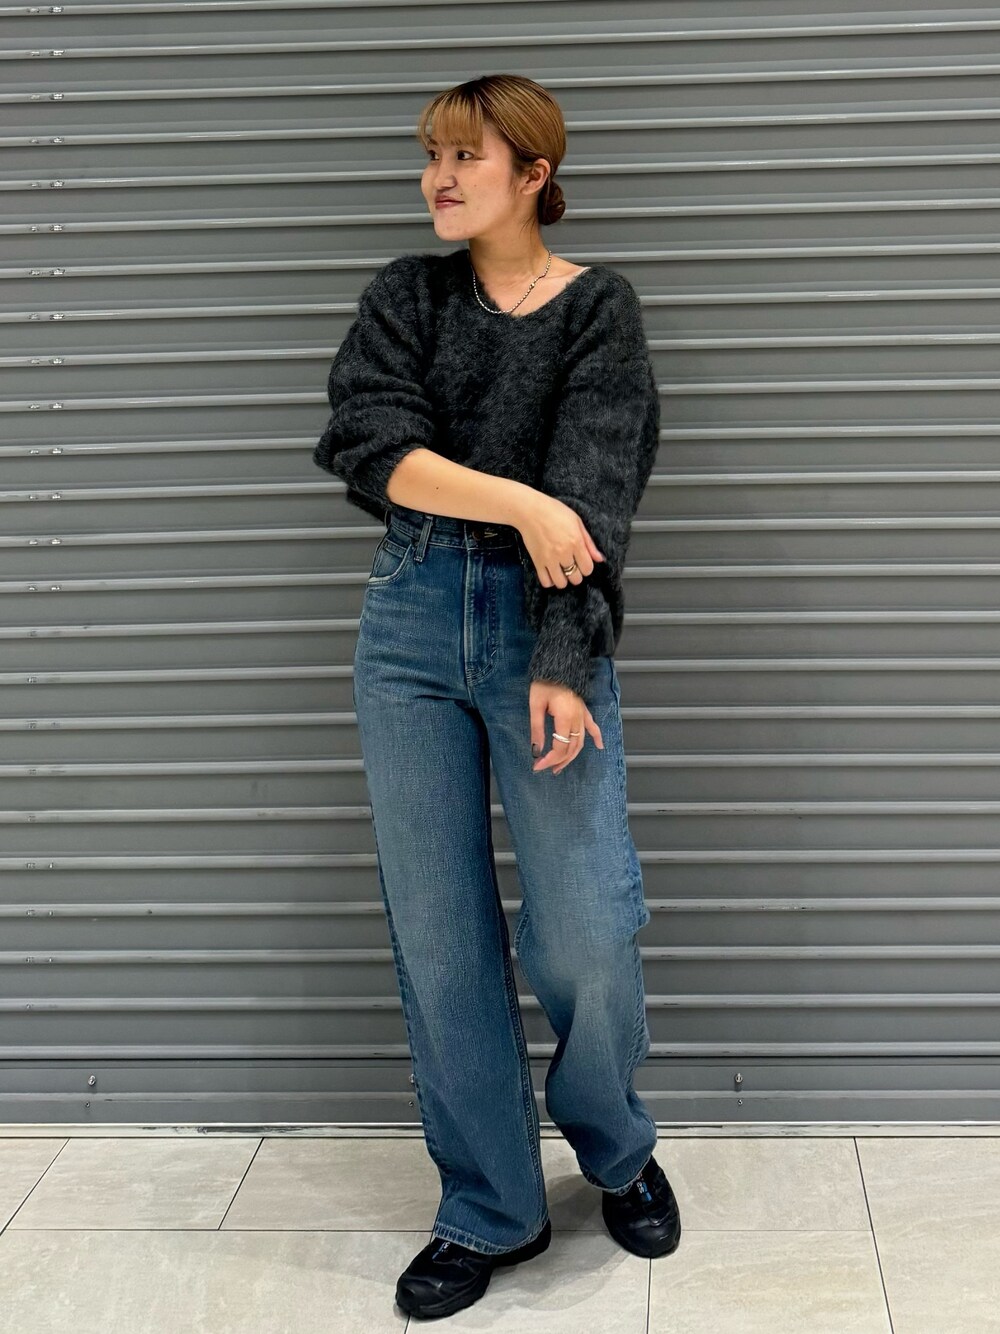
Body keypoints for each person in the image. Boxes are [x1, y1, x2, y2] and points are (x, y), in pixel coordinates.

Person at [314, 73, 681, 1322]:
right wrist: (522, 503)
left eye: (465, 155)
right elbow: (371, 442)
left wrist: (564, 658)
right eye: (430, 154)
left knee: (585, 919)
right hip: (410, 619)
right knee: (439, 932)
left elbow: (597, 503)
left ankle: (614, 1145)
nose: (439, 176)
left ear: (533, 172)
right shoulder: (406, 295)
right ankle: (488, 1204)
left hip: (545, 623)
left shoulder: (598, 310)